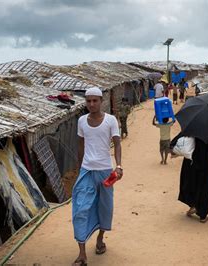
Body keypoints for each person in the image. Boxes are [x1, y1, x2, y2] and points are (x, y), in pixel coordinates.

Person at [72, 87, 123, 266]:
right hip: (86, 171)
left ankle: (100, 238)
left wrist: (118, 166)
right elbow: (80, 146)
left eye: (95, 101)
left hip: (105, 172)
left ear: (102, 101)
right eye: (88, 101)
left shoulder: (110, 121)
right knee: (80, 209)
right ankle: (82, 254)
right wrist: (80, 169)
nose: (91, 104)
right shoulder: (81, 121)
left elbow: (117, 144)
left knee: (105, 208)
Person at [172, 134, 208, 222]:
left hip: (193, 162)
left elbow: (180, 137)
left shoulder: (195, 126)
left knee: (192, 183)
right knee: (205, 187)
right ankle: (202, 215)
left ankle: (193, 205)